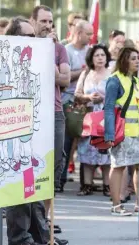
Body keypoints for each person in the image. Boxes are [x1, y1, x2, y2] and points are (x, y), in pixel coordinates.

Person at [5, 15, 69, 245]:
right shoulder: (9, 59)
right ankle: (18, 238)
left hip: (40, 119)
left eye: (35, 36)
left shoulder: (39, 55)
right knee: (20, 178)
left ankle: (39, 233)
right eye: (29, 36)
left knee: (39, 176)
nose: (35, 39)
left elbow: (60, 80)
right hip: (19, 123)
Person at [104, 47, 139, 216]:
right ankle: (116, 205)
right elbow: (108, 108)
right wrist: (110, 134)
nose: (137, 62)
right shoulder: (115, 80)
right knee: (118, 166)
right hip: (122, 133)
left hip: (138, 132)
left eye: (137, 59)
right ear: (124, 60)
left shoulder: (135, 81)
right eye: (133, 58)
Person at [31, 5, 71, 222]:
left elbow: (65, 79)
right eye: (43, 21)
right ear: (33, 21)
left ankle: (43, 218)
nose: (47, 25)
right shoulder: (24, 42)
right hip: (28, 112)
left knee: (54, 164)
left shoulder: (58, 48)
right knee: (29, 164)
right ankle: (29, 217)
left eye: (50, 22)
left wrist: (48, 52)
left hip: (54, 111)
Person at [60, 20, 93, 193]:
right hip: (69, 101)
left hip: (86, 103)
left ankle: (86, 183)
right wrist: (82, 72)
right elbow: (64, 76)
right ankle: (60, 179)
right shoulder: (67, 51)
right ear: (78, 33)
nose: (91, 37)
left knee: (86, 142)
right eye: (88, 34)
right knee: (66, 142)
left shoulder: (91, 51)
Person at [75, 44, 111, 196]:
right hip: (89, 116)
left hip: (106, 116)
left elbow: (120, 96)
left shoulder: (112, 74)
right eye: (97, 55)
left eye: (103, 55)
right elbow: (77, 94)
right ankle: (87, 185)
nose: (100, 58)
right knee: (87, 150)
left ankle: (108, 185)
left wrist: (104, 98)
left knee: (106, 151)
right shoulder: (86, 74)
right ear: (91, 58)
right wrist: (88, 97)